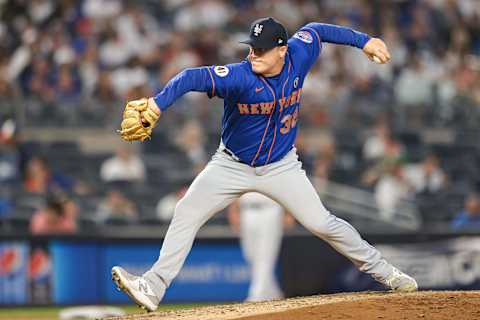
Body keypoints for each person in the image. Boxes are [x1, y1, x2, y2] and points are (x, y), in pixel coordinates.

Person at [112, 17, 417, 312]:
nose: (252, 53)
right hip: (230, 165)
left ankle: (387, 273)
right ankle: (153, 286)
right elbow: (191, 77)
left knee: (322, 223)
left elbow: (318, 29)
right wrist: (156, 104)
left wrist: (366, 42)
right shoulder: (239, 76)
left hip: (281, 166)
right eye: (251, 46)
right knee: (186, 211)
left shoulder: (300, 52)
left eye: (260, 48)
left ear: (282, 50)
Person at [228, 192, 294, 302]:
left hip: (270, 209)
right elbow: (238, 186)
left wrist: (288, 212)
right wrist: (234, 210)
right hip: (247, 210)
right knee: (250, 255)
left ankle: (256, 296)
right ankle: (273, 293)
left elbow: (284, 184)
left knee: (265, 255)